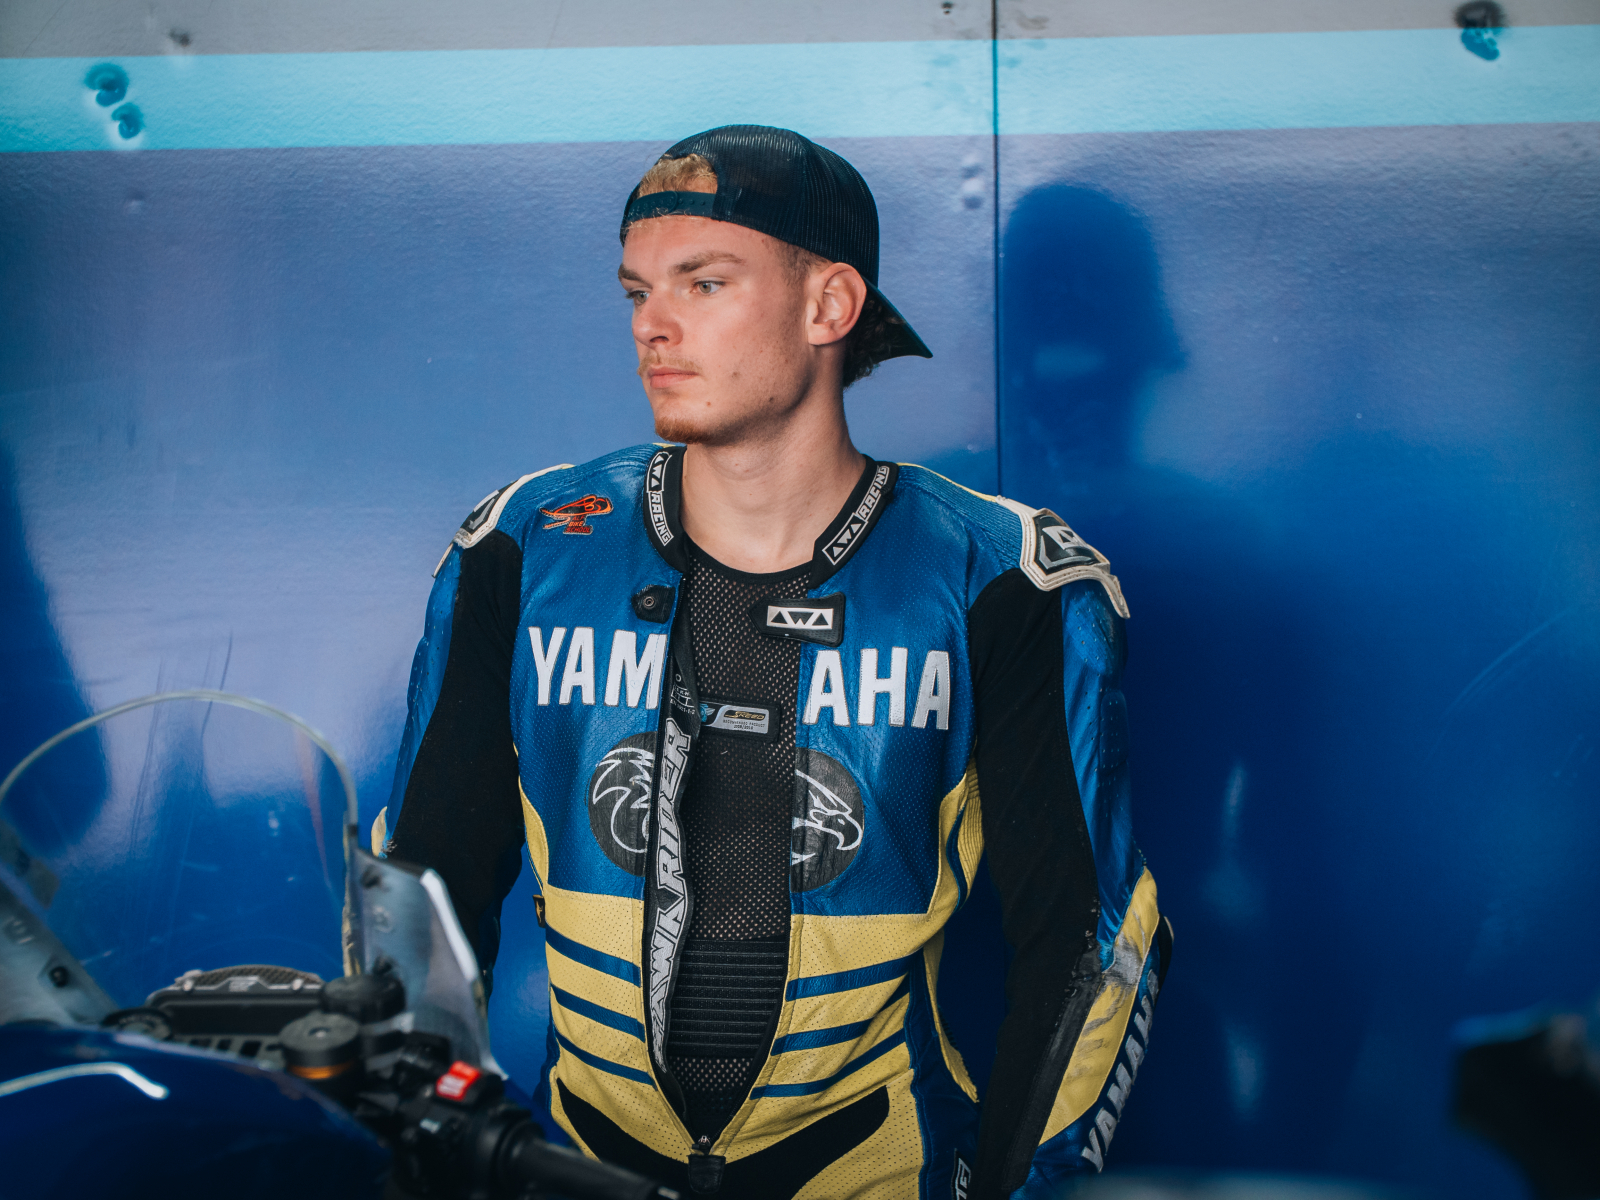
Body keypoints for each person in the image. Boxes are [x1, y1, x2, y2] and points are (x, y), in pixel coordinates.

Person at [378, 125, 1170, 1200]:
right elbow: (420, 895)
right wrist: (412, 1156)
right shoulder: (525, 546)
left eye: (703, 283)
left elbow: (1091, 942)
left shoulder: (1004, 577)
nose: (652, 324)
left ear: (828, 305)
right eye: (638, 291)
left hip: (881, 1173)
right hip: (573, 1172)